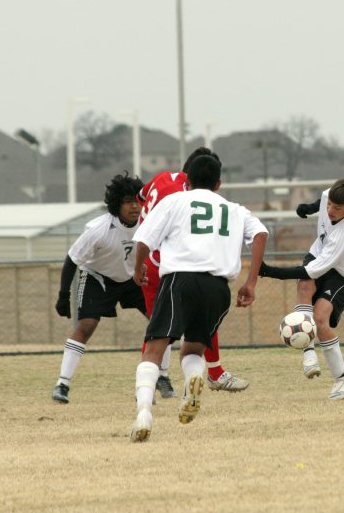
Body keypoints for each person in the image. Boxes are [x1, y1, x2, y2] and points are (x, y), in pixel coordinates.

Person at [129, 154, 267, 442]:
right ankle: (195, 378)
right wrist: (251, 282)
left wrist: (139, 266)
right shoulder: (234, 210)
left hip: (179, 279)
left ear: (186, 180)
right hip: (218, 288)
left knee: (154, 349)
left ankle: (143, 412)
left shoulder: (176, 200)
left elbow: (143, 239)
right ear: (219, 183)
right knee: (192, 351)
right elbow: (261, 234)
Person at [136, 147, 250, 396]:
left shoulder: (161, 178)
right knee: (186, 325)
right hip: (169, 264)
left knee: (159, 328)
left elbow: (141, 196)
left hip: (148, 260)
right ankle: (207, 373)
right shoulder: (185, 196)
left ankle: (162, 379)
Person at [258, 177, 344, 401]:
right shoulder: (331, 196)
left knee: (320, 318)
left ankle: (343, 381)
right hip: (319, 252)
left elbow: (309, 272)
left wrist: (269, 271)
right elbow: (324, 198)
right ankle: (308, 351)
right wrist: (309, 208)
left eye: (337, 208)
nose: (330, 210)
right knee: (305, 286)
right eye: (330, 205)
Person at [51, 172, 145, 404]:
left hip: (133, 278)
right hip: (98, 277)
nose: (134, 206)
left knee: (161, 323)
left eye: (137, 200)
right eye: (127, 201)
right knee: (86, 326)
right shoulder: (98, 229)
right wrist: (63, 295)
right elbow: (72, 259)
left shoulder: (149, 223)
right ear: (116, 204)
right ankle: (62, 384)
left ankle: (158, 380)